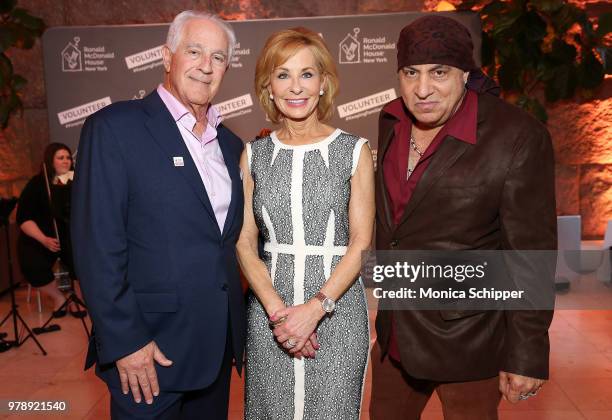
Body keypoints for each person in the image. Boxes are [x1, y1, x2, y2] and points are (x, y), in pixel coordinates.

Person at [369, 15, 556, 419]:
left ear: (465, 74)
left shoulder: (517, 137)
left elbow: (531, 254)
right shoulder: (391, 120)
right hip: (396, 334)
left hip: (471, 341)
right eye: (410, 73)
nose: (422, 89)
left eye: (439, 73)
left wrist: (526, 353)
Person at [71, 10, 245, 420]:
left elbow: (226, 246)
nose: (206, 65)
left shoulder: (233, 145)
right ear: (167, 57)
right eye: (195, 51)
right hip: (148, 355)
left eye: (218, 57)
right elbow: (97, 246)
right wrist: (125, 341)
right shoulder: (115, 128)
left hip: (214, 352)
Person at [237, 27, 375, 419]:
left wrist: (315, 308)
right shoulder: (254, 155)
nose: (295, 86)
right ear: (269, 87)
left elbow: (361, 242)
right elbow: (245, 244)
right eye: (283, 75)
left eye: (307, 74)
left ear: (323, 83)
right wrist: (281, 315)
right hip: (269, 315)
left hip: (338, 311)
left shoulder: (354, 151)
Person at [16, 142, 83, 317]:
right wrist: (44, 239)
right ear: (50, 161)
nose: (66, 161)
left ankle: (78, 298)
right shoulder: (37, 183)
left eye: (68, 157)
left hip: (70, 236)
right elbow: (24, 218)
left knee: (82, 260)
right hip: (43, 237)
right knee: (32, 264)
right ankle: (58, 298)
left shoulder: (78, 180)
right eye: (60, 157)